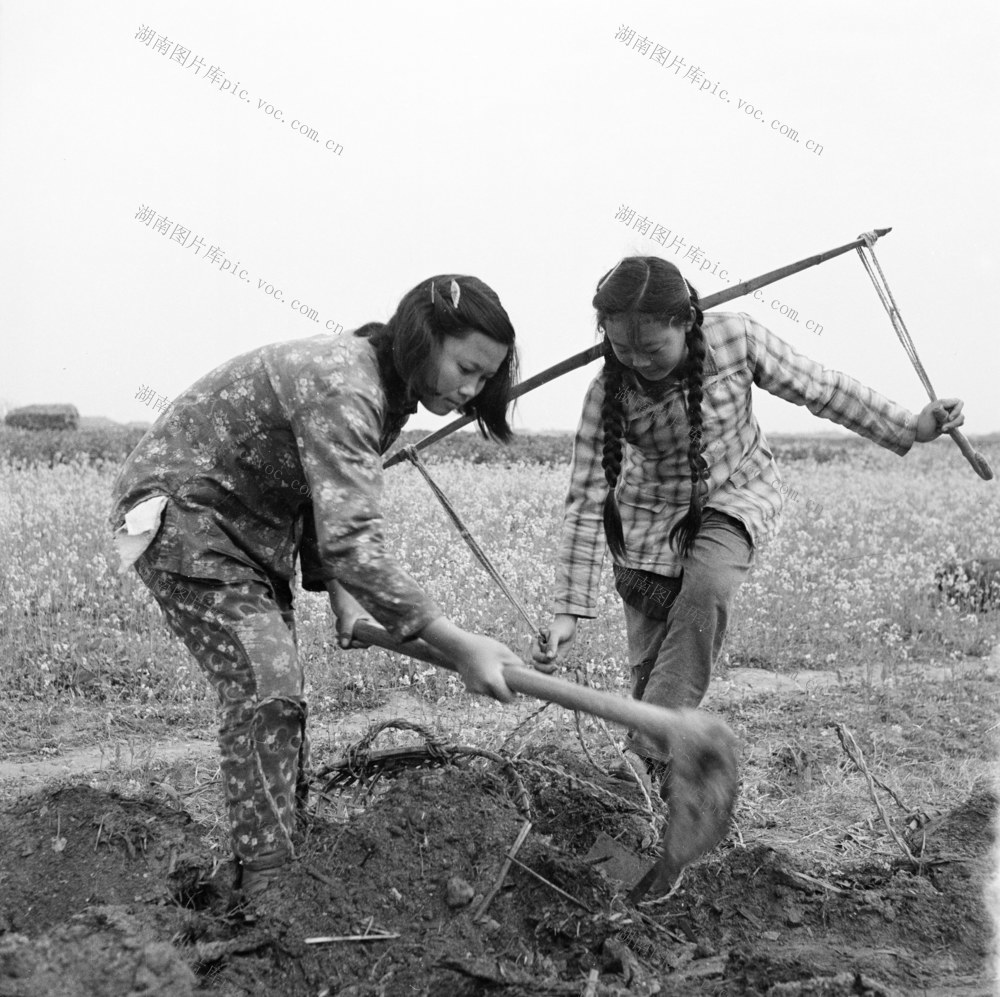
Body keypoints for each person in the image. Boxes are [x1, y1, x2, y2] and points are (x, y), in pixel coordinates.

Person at [110, 274, 523, 905]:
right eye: (467, 369)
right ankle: (267, 881)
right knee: (265, 687)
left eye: (483, 382)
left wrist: (341, 594)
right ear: (423, 337)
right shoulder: (344, 384)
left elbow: (315, 496)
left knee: (277, 689)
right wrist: (459, 645)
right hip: (189, 518)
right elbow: (353, 542)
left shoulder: (386, 392)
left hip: (249, 530)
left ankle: (283, 842)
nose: (471, 392)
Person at [531, 255, 965, 781]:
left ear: (685, 321)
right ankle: (657, 796)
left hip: (736, 494)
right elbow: (584, 499)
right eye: (623, 348)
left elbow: (820, 387)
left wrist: (910, 425)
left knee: (707, 585)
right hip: (649, 523)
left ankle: (640, 762)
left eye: (652, 348)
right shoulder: (607, 394)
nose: (639, 361)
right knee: (653, 672)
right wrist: (567, 612)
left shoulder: (735, 337)